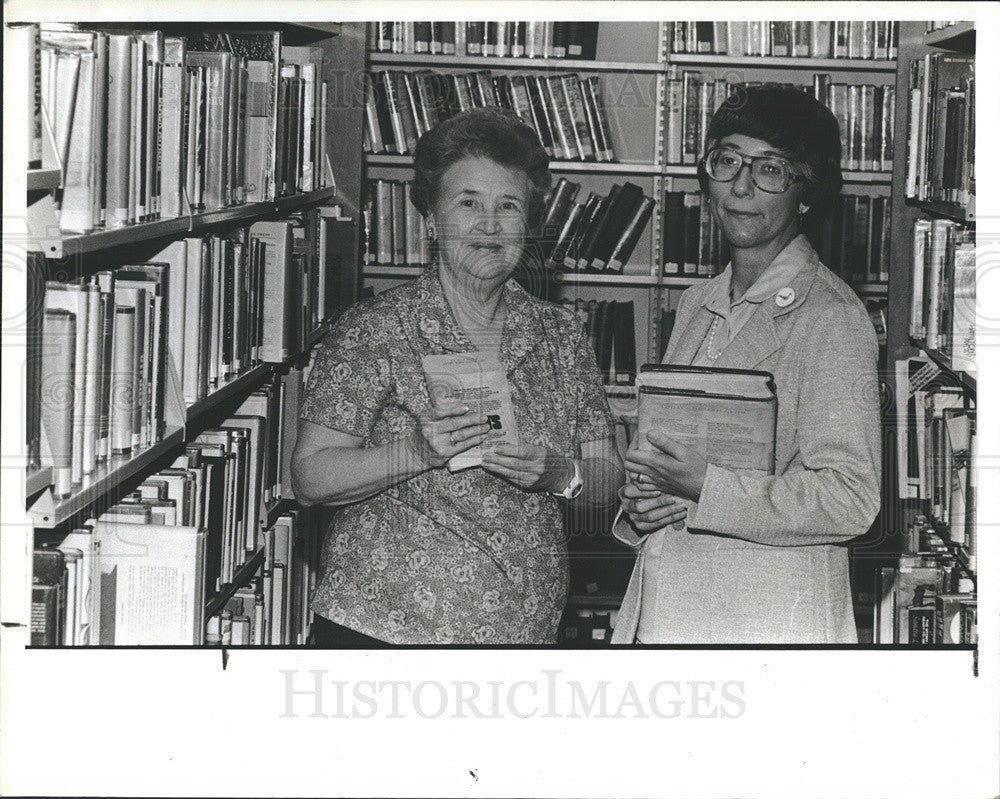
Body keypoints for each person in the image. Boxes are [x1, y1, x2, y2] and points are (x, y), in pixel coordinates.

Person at [292, 108, 623, 646]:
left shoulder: (562, 337)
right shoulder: (374, 329)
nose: (490, 225)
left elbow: (608, 480)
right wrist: (416, 453)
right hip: (384, 637)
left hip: (521, 640)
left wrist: (563, 474)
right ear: (431, 220)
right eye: (468, 203)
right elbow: (308, 479)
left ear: (529, 225)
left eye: (508, 206)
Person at [613, 85, 881, 644]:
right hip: (671, 610)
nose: (740, 186)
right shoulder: (697, 301)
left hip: (767, 622)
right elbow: (676, 452)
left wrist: (704, 488)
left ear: (806, 194)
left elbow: (851, 498)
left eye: (771, 170)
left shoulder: (831, 317)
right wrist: (642, 503)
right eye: (728, 160)